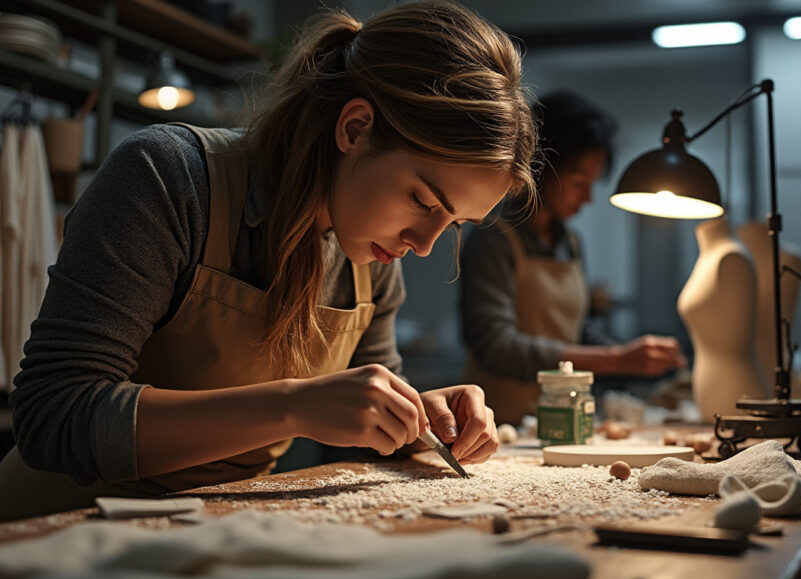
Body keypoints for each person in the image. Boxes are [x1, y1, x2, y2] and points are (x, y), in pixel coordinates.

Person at [0, 1, 536, 521]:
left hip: (211, 531)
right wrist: (293, 406)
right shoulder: (169, 177)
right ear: (354, 129)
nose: (423, 245)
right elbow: (53, 416)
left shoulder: (371, 254)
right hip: (56, 533)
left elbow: (371, 418)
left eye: (455, 223)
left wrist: (423, 419)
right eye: (422, 200)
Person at [459, 91, 685, 425]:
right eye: (579, 181)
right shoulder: (495, 237)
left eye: (592, 183)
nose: (588, 197)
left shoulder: (571, 243)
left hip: (563, 418)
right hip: (501, 422)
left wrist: (637, 356)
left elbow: (576, 331)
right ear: (540, 165)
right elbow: (497, 347)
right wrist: (617, 359)